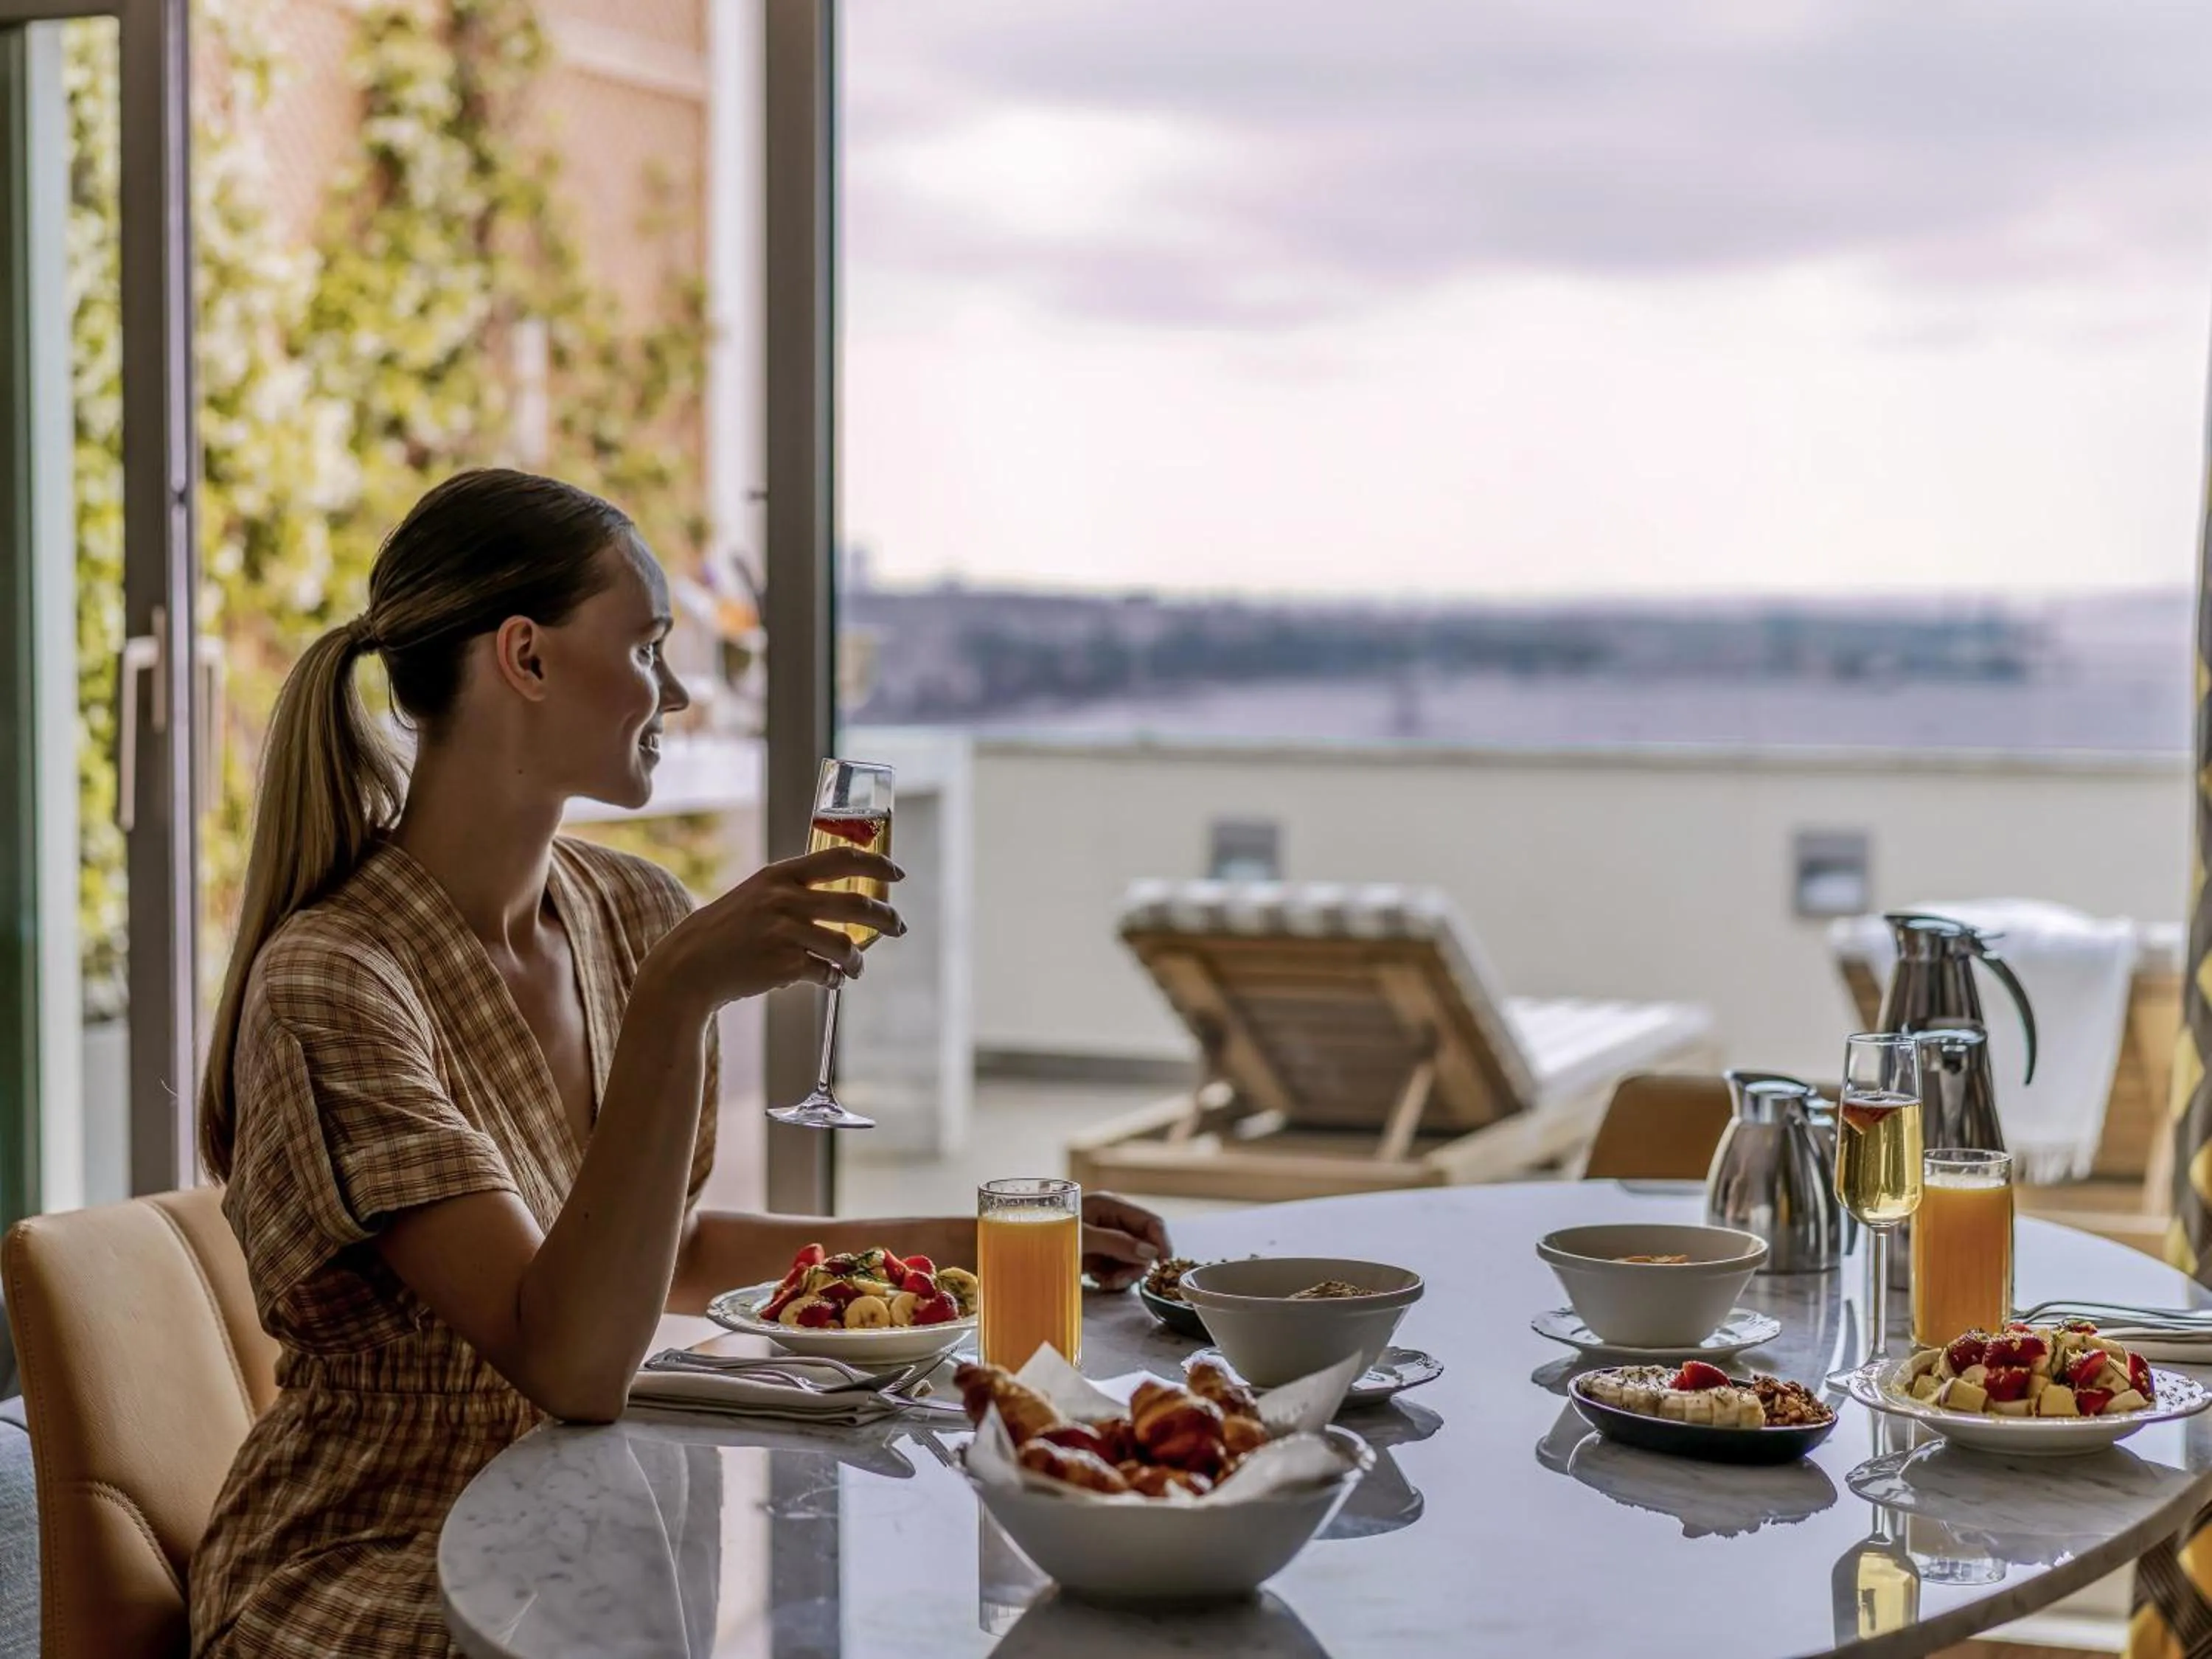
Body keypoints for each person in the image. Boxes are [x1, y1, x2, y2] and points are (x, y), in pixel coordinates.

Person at [187, 470, 1171, 1657]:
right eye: (649, 648)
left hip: (598, 1516)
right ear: (526, 657)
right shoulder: (337, 980)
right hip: (381, 1555)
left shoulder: (629, 909)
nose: (680, 692)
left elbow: (679, 1252)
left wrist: (982, 1243)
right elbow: (572, 1365)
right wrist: (674, 1003)